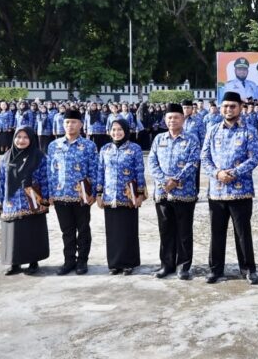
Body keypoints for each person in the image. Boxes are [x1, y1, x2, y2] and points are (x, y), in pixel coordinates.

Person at [200, 91, 258, 285]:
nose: (228, 109)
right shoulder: (212, 130)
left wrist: (234, 173)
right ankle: (215, 270)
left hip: (240, 191)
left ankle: (248, 269)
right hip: (217, 191)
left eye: (232, 106)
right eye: (225, 106)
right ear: (220, 108)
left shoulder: (249, 130)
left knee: (242, 232)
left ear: (240, 108)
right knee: (216, 233)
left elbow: (255, 157)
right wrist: (217, 173)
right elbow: (204, 157)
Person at [148, 103, 201, 280]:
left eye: (176, 117)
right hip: (162, 192)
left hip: (184, 192)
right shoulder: (159, 139)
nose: (172, 120)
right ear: (165, 120)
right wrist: (165, 181)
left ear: (183, 119)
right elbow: (152, 162)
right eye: (169, 117)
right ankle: (166, 265)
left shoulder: (191, 139)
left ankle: (183, 266)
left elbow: (193, 163)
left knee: (184, 231)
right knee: (165, 230)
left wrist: (176, 180)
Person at [47, 109, 99, 275]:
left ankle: (82, 261)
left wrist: (93, 193)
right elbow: (50, 171)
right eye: (67, 122)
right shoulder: (54, 145)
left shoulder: (89, 146)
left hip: (81, 196)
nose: (70, 125)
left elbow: (94, 170)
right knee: (67, 231)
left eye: (74, 122)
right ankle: (69, 261)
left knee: (83, 229)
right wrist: (50, 193)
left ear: (81, 124)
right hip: (60, 195)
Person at [0, 127, 50, 275]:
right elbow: (1, 181)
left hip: (32, 201)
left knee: (32, 232)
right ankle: (15, 263)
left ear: (31, 139)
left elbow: (44, 179)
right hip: (11, 203)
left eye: (25, 137)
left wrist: (45, 199)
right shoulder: (6, 157)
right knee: (13, 234)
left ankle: (33, 262)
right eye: (18, 137)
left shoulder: (39, 157)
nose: (21, 140)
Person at [96, 119, 146, 275]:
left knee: (128, 231)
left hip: (128, 197)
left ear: (125, 131)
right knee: (112, 232)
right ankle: (114, 264)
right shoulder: (105, 149)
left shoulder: (135, 148)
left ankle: (128, 263)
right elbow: (100, 172)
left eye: (120, 129)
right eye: (113, 129)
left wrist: (140, 194)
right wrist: (99, 194)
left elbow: (139, 172)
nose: (116, 132)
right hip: (110, 196)